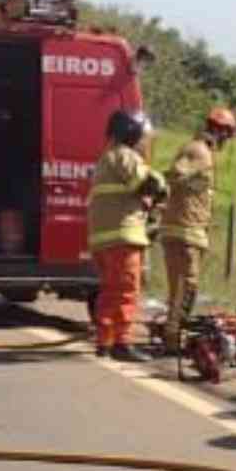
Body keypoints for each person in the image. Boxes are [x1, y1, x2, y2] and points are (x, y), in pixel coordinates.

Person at [87, 109, 167, 361]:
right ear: (132, 134)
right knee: (125, 290)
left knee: (109, 291)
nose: (145, 141)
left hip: (103, 239)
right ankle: (122, 342)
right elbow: (148, 184)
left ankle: (105, 341)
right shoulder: (125, 156)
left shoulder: (105, 159)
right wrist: (161, 184)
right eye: (143, 136)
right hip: (122, 236)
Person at [157, 106, 236, 354]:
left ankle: (173, 333)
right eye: (227, 134)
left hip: (188, 231)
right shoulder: (198, 151)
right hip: (184, 231)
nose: (226, 140)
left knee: (182, 287)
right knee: (186, 287)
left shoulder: (202, 151)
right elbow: (176, 174)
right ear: (219, 130)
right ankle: (172, 339)